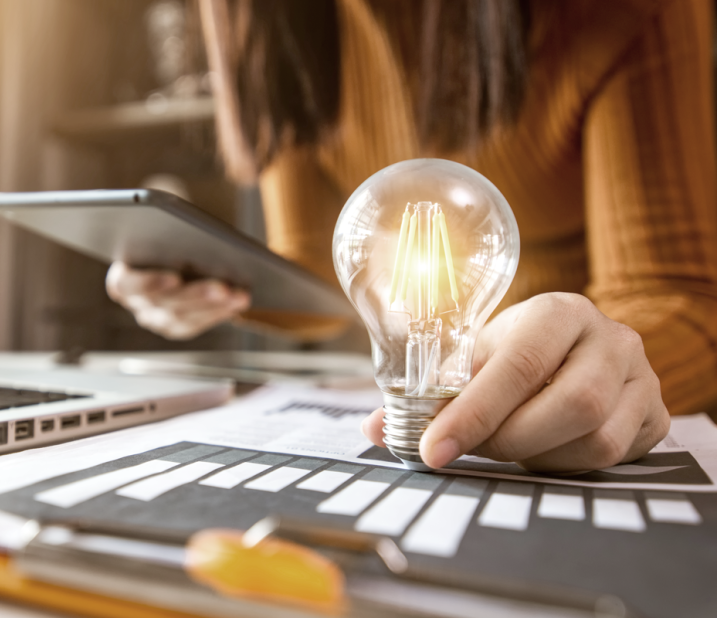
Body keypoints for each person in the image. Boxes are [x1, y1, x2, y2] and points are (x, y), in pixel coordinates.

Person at [107, 0, 717, 472]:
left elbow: (677, 295)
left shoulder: (613, 14)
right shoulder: (264, 17)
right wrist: (210, 275)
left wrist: (595, 370)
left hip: (568, 390)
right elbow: (325, 265)